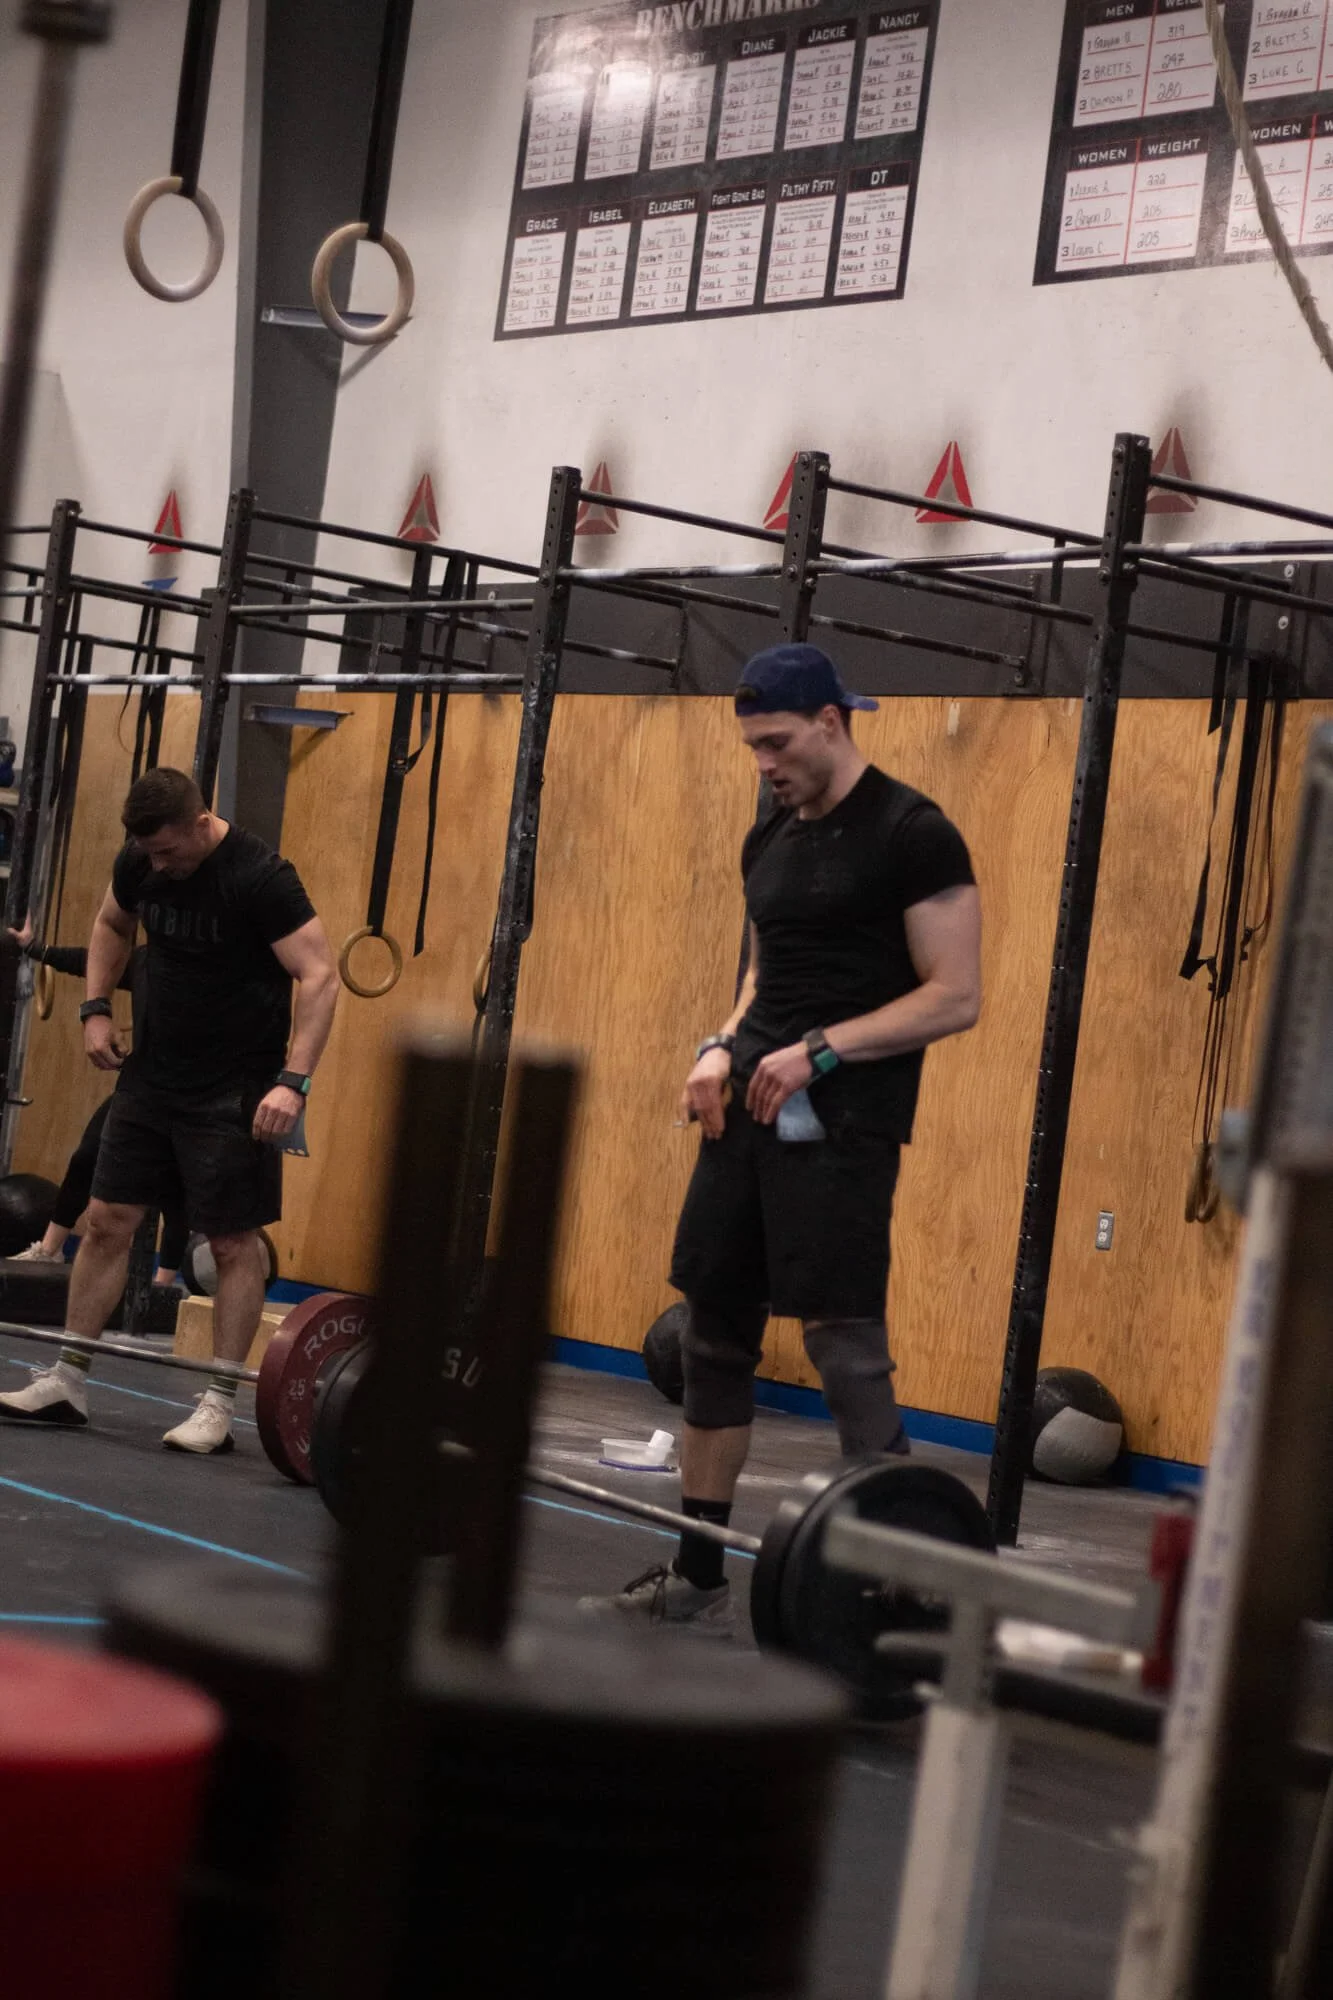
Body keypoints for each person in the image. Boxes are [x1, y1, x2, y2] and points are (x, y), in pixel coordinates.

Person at [582, 644, 982, 1633]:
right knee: (713, 1331)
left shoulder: (913, 832)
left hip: (843, 1119)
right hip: (745, 1108)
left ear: (831, 722)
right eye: (752, 745)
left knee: (842, 1340)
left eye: (776, 741)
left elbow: (954, 995)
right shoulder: (773, 829)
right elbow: (766, 968)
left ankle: (897, 1591)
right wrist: (719, 1043)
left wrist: (821, 1052)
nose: (762, 761)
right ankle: (696, 1570)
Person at [0, 767, 338, 1453]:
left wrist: (292, 1082)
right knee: (105, 1222)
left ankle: (216, 1406)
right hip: (151, 1077)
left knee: (231, 1242)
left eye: (167, 851)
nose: (157, 865)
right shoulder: (141, 861)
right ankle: (68, 1378)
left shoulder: (261, 878)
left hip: (235, 1088)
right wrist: (95, 1008)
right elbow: (110, 923)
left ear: (200, 821)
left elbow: (320, 976)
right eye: (147, 853)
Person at [7, 922, 188, 1285]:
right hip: (144, 1085)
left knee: (176, 1185)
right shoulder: (145, 962)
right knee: (88, 1154)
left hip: (198, 1092)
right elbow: (92, 962)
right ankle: (49, 1250)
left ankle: (163, 1284)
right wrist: (37, 949)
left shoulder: (212, 967)